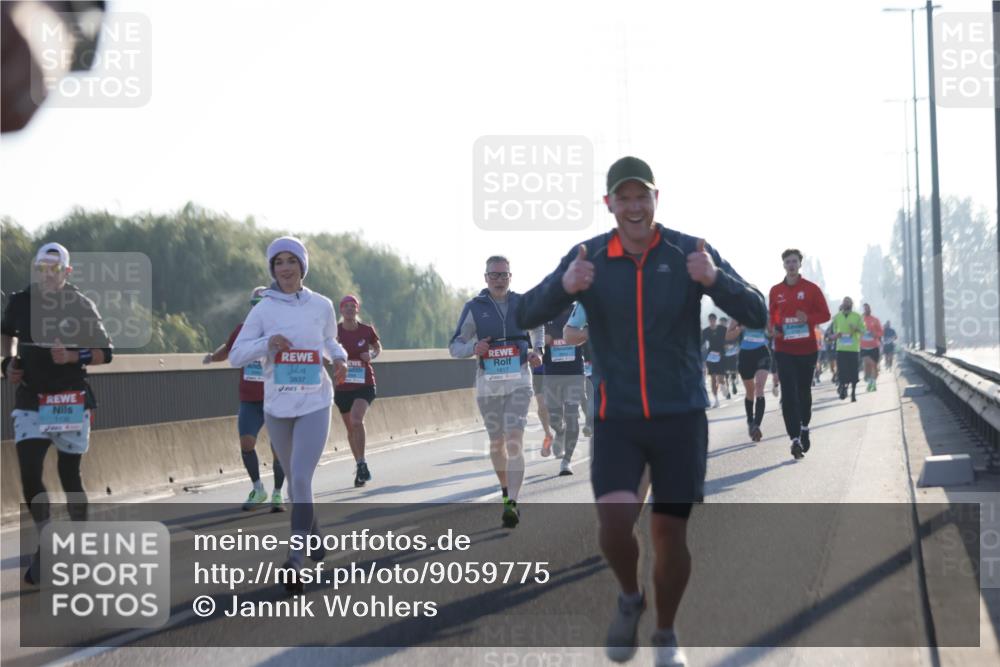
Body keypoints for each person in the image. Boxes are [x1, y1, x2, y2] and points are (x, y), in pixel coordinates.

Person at [516, 156, 767, 666]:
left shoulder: (689, 250)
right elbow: (524, 313)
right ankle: (630, 597)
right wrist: (563, 288)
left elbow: (759, 311)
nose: (634, 207)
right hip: (618, 416)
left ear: (657, 198)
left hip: (680, 414)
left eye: (642, 196)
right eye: (623, 198)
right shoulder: (587, 255)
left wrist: (716, 280)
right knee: (613, 523)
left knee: (668, 532)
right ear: (608, 204)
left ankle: (667, 634)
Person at [229, 237, 348, 592]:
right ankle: (315, 535)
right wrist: (267, 344)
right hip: (277, 405)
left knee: (299, 477)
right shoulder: (263, 309)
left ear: (302, 266)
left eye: (291, 261)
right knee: (298, 486)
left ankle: (294, 560)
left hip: (314, 400)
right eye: (278, 262)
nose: (284, 268)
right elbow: (236, 355)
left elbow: (330, 341)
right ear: (272, 269)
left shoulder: (322, 305)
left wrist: (339, 359)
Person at [2, 242, 114, 584]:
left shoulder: (80, 305)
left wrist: (73, 356)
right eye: (42, 269)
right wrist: (7, 363)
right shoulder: (21, 301)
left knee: (69, 475)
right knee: (31, 473)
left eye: (54, 269)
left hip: (69, 400)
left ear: (67, 272)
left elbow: (105, 353)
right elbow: (5, 333)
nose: (47, 275)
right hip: (31, 399)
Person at [449, 256, 543, 528]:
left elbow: (538, 326)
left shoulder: (523, 303)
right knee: (496, 442)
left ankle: (512, 502)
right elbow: (456, 346)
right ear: (485, 277)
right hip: (488, 384)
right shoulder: (474, 307)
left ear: (511, 277)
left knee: (514, 438)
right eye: (494, 275)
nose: (499, 279)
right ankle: (505, 491)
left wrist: (538, 350)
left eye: (504, 275)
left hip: (519, 382)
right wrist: (473, 349)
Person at [204, 286, 286, 512]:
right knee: (246, 443)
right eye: (254, 304)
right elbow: (228, 349)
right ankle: (258, 488)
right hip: (250, 399)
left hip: (276, 399)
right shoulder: (243, 329)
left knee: (278, 449)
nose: (258, 308)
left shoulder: (279, 330)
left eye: (263, 304)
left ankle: (278, 493)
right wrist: (212, 357)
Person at [768, 249, 831, 460]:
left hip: (807, 349)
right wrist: (774, 328)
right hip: (784, 348)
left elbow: (825, 314)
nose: (791, 265)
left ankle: (804, 427)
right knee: (789, 393)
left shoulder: (812, 289)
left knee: (804, 391)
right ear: (783, 265)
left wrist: (808, 318)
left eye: (794, 261)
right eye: (788, 262)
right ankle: (794, 438)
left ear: (800, 264)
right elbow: (772, 317)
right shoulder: (776, 291)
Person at [335, 294, 382, 487]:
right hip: (343, 385)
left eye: (352, 306)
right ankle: (359, 466)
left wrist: (371, 354)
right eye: (345, 307)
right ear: (341, 310)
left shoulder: (366, 330)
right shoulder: (335, 331)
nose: (349, 309)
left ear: (357, 310)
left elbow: (378, 347)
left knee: (356, 419)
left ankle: (362, 462)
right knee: (350, 429)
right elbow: (325, 350)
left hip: (364, 384)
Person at [541, 305, 586, 475]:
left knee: (572, 417)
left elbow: (590, 332)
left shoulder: (578, 311)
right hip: (552, 374)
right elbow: (533, 338)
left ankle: (566, 461)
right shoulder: (545, 312)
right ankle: (560, 432)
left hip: (574, 373)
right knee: (554, 419)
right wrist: (542, 340)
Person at [728, 319, 772, 442]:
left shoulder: (764, 314)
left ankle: (756, 425)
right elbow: (727, 336)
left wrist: (769, 327)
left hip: (762, 353)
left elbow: (771, 333)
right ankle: (750, 420)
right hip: (745, 355)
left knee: (759, 387)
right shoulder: (738, 316)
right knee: (750, 391)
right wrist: (739, 328)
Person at [563, 301, 594, 438]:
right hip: (591, 365)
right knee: (590, 395)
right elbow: (569, 334)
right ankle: (590, 424)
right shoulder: (591, 294)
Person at [830, 296, 866, 403]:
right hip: (841, 348)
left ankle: (853, 393)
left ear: (851, 304)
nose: (846, 304)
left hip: (853, 349)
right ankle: (843, 388)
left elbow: (863, 331)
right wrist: (836, 335)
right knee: (841, 370)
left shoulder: (857, 316)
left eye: (848, 302)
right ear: (842, 304)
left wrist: (856, 328)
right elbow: (834, 332)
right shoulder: (836, 317)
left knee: (854, 371)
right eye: (844, 302)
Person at [701, 314, 728, 407]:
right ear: (709, 321)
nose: (712, 321)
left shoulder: (722, 329)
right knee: (713, 378)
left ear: (716, 320)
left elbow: (728, 338)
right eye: (710, 320)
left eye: (713, 319)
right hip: (711, 356)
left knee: (720, 379)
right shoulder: (706, 331)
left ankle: (723, 385)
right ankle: (716, 400)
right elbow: (701, 342)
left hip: (721, 355)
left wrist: (727, 347)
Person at [860, 303, 883, 392]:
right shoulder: (860, 320)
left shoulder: (875, 320)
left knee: (874, 366)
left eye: (867, 308)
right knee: (867, 365)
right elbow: (855, 331)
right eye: (864, 309)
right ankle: (869, 380)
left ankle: (872, 383)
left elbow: (881, 332)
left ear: (870, 309)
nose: (866, 310)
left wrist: (875, 334)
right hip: (864, 346)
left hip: (874, 346)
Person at [720, 316, 740, 397]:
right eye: (721, 323)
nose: (722, 324)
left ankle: (733, 383)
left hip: (732, 354)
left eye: (724, 322)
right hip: (724, 355)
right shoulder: (719, 332)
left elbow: (736, 340)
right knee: (725, 374)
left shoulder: (731, 330)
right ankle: (728, 391)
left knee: (733, 371)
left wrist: (734, 346)